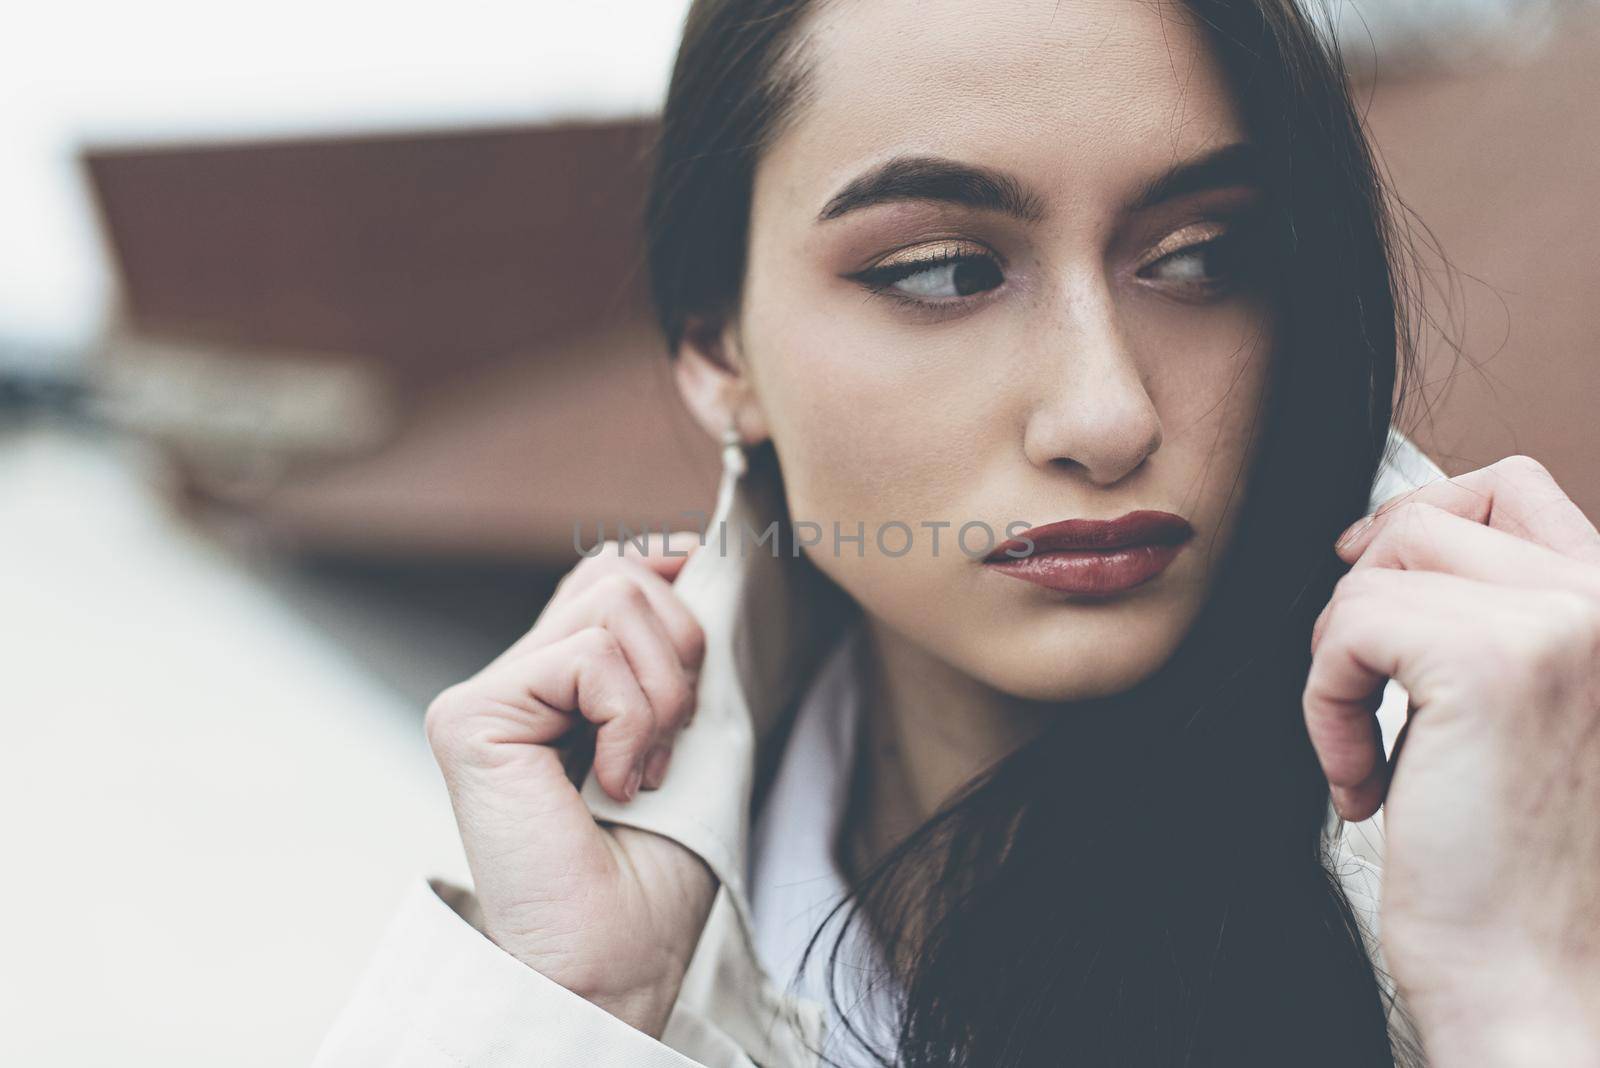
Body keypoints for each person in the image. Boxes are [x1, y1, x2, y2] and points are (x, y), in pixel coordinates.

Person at [315, 1, 1600, 1064]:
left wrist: (1518, 1003)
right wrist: (569, 1018)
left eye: (1202, 257)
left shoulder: (1528, 874)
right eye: (941, 270)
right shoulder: (607, 938)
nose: (1105, 414)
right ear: (718, 347)